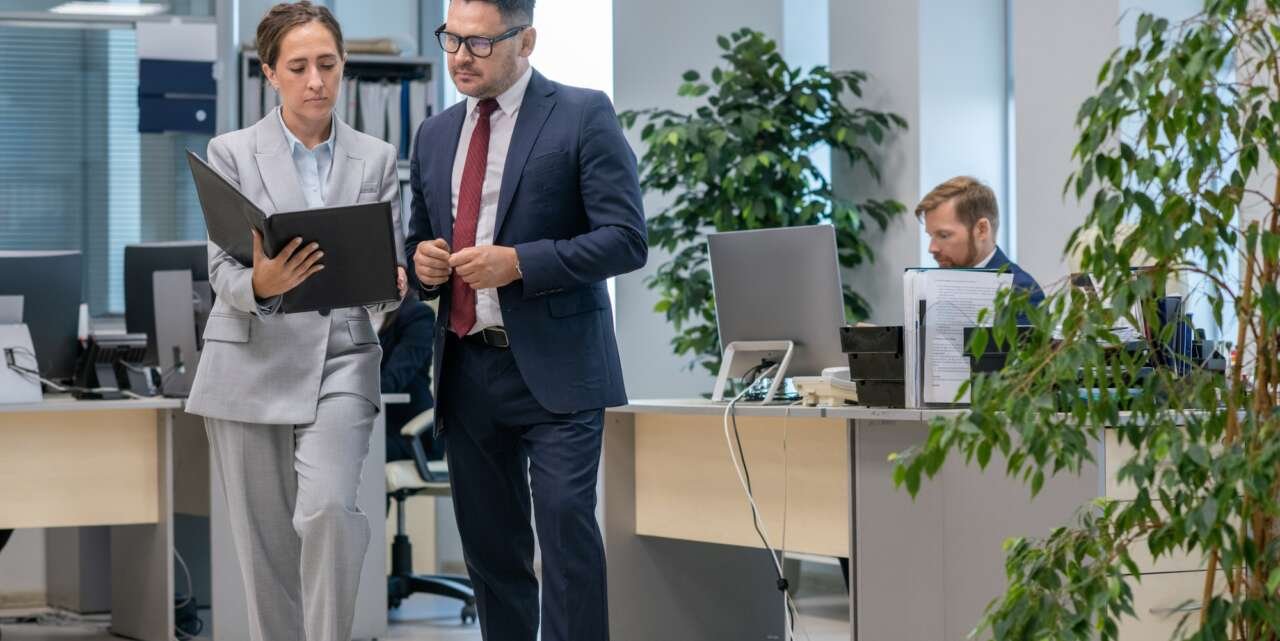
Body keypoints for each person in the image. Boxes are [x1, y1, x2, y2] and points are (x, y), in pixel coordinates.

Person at [404, 0, 647, 638]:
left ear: (527, 39)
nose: (460, 57)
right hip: (465, 368)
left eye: (480, 44)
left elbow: (626, 239)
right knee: (491, 553)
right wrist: (423, 261)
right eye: (451, 40)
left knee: (566, 537)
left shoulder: (582, 113)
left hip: (557, 369)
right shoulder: (433, 134)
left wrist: (520, 263)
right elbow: (416, 240)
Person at [183, 3, 406, 640]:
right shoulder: (230, 153)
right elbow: (221, 269)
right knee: (266, 554)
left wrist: (388, 290)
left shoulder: (377, 157)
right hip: (249, 359)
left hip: (341, 356)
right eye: (300, 67)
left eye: (329, 65)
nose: (317, 81)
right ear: (270, 73)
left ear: (344, 69)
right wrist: (260, 282)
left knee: (331, 511)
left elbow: (381, 272)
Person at [917, 176, 1045, 305]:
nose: (932, 248)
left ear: (982, 230)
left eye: (944, 235)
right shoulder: (934, 289)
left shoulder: (1022, 292)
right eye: (930, 236)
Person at [374, 291, 440, 462]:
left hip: (411, 436)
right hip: (372, 430)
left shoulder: (417, 315)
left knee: (346, 451)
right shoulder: (351, 316)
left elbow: (392, 380)